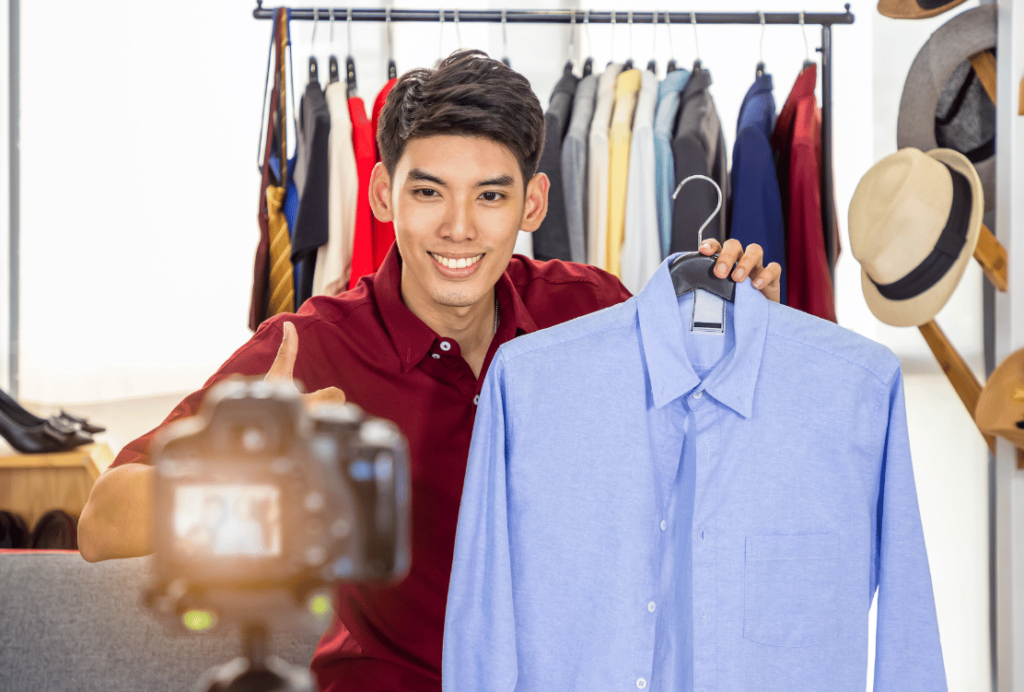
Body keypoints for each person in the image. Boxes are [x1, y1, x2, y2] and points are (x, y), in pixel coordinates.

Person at [77, 50, 781, 691]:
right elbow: (100, 524)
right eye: (428, 192)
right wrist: (265, 469)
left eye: (491, 196)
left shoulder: (593, 310)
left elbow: (716, 462)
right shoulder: (309, 348)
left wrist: (750, 338)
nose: (458, 228)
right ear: (383, 194)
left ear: (532, 204)